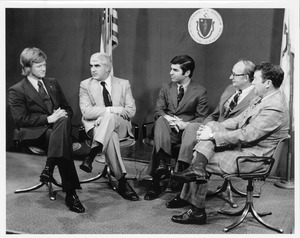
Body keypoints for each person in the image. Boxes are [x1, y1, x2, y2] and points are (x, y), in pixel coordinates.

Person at [168, 62, 289, 225]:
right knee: (208, 133)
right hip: (244, 149)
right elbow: (239, 120)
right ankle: (197, 173)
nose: (252, 82)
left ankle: (197, 208)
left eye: (255, 79)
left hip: (254, 158)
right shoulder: (262, 98)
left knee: (202, 158)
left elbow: (247, 135)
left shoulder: (275, 107)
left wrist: (212, 135)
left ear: (267, 83)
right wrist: (212, 128)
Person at [8, 47, 85, 213]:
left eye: (44, 65)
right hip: (35, 133)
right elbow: (20, 119)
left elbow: (67, 108)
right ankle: (71, 194)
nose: (44, 68)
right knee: (59, 132)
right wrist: (49, 119)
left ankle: (49, 168)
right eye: (39, 66)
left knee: (62, 122)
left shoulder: (52, 83)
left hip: (57, 132)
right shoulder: (17, 90)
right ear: (28, 68)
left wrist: (61, 116)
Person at [165, 59, 257, 196]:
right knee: (192, 128)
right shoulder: (230, 89)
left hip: (229, 137)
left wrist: (212, 130)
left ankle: (184, 188)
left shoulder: (257, 96)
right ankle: (184, 168)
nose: (230, 77)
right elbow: (214, 115)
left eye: (235, 74)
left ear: (247, 77)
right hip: (213, 128)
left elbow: (246, 127)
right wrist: (204, 127)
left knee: (201, 143)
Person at [144, 55, 209, 200]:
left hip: (184, 133)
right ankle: (164, 165)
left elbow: (202, 117)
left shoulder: (200, 91)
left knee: (161, 141)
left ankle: (160, 178)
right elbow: (158, 110)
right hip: (164, 128)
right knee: (161, 120)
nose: (170, 73)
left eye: (175, 70)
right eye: (171, 69)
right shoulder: (166, 87)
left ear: (186, 73)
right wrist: (169, 118)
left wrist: (185, 124)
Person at [79, 52, 139, 201]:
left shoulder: (123, 83)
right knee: (110, 133)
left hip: (122, 127)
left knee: (111, 119)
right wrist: (110, 111)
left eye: (97, 66)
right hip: (97, 127)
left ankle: (92, 154)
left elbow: (131, 111)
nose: (93, 69)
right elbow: (86, 112)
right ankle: (122, 181)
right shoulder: (85, 85)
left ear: (108, 68)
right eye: (91, 66)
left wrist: (107, 116)